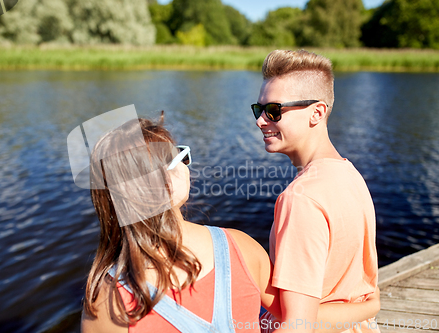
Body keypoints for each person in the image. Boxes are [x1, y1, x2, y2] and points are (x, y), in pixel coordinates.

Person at [80, 113, 380, 333]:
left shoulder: (106, 297)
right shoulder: (240, 248)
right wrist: (367, 307)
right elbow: (298, 321)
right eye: (179, 156)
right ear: (168, 180)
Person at [253, 50, 380, 333]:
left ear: (317, 113)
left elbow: (297, 326)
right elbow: (366, 292)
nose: (261, 121)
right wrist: (370, 307)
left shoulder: (300, 199)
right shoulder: (350, 174)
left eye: (273, 110)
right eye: (258, 109)